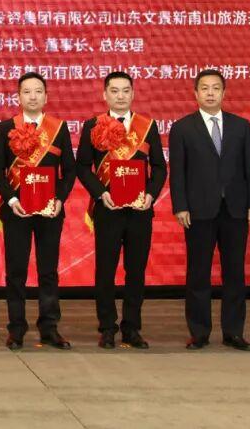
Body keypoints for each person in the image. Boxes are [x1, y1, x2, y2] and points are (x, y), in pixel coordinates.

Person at [169, 69, 250, 351]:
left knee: (234, 272)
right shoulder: (182, 128)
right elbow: (178, 173)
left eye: (215, 88)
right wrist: (180, 206)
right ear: (195, 93)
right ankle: (199, 332)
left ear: (224, 92)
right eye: (204, 88)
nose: (210, 93)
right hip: (198, 210)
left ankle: (234, 332)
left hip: (235, 209)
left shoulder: (240, 126)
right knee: (198, 272)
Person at [76, 72, 166, 349]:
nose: (120, 96)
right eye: (114, 91)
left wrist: (151, 194)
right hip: (108, 209)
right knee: (105, 270)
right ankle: (107, 327)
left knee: (135, 271)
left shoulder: (147, 126)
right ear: (104, 95)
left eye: (126, 90)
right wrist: (100, 193)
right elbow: (83, 167)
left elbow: (159, 167)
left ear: (133, 93)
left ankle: (132, 328)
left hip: (140, 210)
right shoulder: (93, 125)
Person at [0, 72, 76, 350]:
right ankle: (16, 329)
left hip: (50, 211)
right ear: (18, 97)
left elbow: (69, 170)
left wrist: (60, 199)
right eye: (27, 92)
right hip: (17, 211)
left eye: (38, 91)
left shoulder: (58, 128)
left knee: (48, 270)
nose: (33, 96)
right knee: (16, 271)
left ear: (46, 97)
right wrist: (11, 200)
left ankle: (49, 328)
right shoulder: (6, 128)